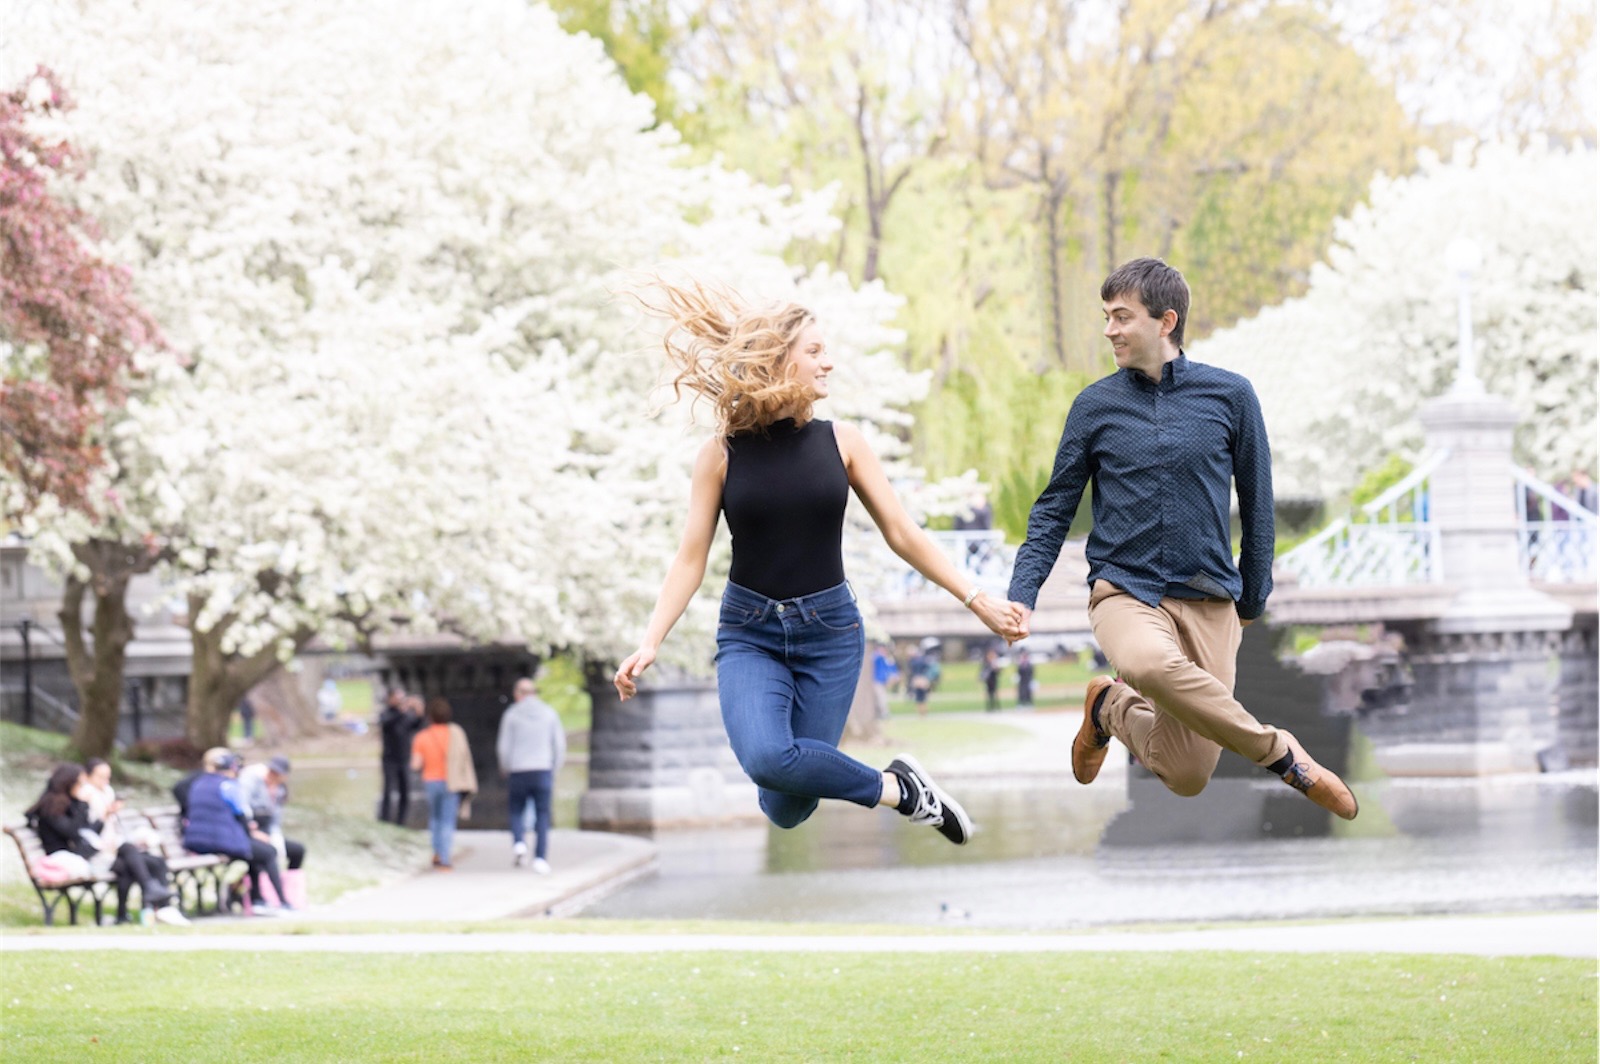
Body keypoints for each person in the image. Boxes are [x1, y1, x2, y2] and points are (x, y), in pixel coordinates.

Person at [613, 281, 1025, 845]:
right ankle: (901, 791)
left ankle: (895, 786)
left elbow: (903, 533)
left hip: (830, 635)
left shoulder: (844, 442)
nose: (828, 362)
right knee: (769, 762)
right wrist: (650, 641)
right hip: (750, 633)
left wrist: (977, 599)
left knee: (788, 807)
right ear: (777, 359)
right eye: (814, 351)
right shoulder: (720, 455)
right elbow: (690, 558)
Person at [1006, 258, 1357, 820]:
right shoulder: (1094, 406)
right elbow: (1054, 508)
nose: (1109, 330)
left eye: (1122, 317)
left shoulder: (1231, 396)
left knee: (1187, 773)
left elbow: (1258, 505)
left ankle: (1108, 707)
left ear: (1165, 321)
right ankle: (1283, 756)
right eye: (1106, 316)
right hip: (1127, 592)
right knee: (1147, 663)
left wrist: (1251, 600)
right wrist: (1022, 593)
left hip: (1210, 598)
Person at [26, 763, 187, 925]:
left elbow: (88, 831)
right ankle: (148, 897)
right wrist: (83, 804)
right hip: (68, 859)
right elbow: (73, 832)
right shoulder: (52, 807)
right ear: (68, 782)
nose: (83, 787)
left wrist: (106, 814)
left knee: (144, 861)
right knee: (129, 856)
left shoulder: (69, 803)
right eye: (80, 783)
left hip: (84, 853)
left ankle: (136, 907)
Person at [182, 747, 295, 914]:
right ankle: (282, 901)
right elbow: (241, 816)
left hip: (194, 841)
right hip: (217, 841)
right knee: (268, 852)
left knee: (254, 852)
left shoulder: (198, 783)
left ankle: (258, 900)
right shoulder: (228, 786)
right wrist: (252, 833)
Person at [496, 675, 566, 873]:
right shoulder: (549, 713)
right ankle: (540, 858)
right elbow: (559, 745)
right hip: (543, 769)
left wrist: (506, 766)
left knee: (516, 810)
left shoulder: (511, 715)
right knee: (542, 815)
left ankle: (519, 843)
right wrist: (554, 768)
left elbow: (504, 746)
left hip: (518, 770)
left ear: (519, 693)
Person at [410, 697, 477, 870]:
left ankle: (437, 852)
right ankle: (445, 859)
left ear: (430, 716)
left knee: (435, 818)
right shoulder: (455, 734)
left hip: (431, 782)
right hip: (451, 782)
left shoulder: (422, 737)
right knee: (448, 820)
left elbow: (415, 764)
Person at [239, 755, 306, 901]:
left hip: (267, 832)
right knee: (267, 852)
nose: (273, 775)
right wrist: (253, 832)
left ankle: (290, 892)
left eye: (278, 773)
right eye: (272, 771)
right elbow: (242, 808)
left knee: (297, 850)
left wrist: (275, 837)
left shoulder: (280, 790)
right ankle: (266, 898)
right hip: (247, 831)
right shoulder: (251, 780)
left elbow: (275, 820)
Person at [377, 686, 418, 824]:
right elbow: (386, 722)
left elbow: (416, 724)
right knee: (388, 790)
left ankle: (401, 821)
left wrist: (418, 709)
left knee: (405, 791)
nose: (401, 700)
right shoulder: (386, 714)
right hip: (389, 760)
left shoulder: (406, 715)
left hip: (404, 759)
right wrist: (401, 711)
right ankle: (385, 819)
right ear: (390, 698)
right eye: (397, 697)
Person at [870, 643, 899, 720]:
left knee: (880, 697)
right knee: (880, 697)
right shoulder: (876, 657)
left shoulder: (886, 658)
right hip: (876, 680)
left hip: (883, 681)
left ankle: (882, 713)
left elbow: (890, 668)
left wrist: (893, 676)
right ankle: (883, 712)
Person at [980, 647, 1002, 712]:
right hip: (988, 681)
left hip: (994, 680)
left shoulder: (994, 663)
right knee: (989, 694)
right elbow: (982, 671)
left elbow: (998, 672)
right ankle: (989, 707)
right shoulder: (986, 663)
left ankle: (996, 706)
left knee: (995, 693)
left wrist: (996, 668)